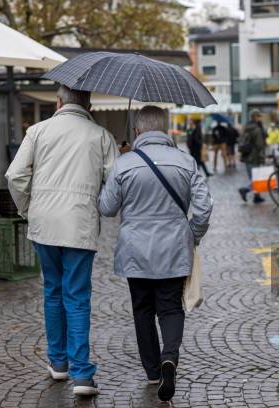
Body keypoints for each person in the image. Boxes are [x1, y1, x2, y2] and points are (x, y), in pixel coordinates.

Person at [6, 85, 116, 396]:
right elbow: (114, 185)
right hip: (79, 225)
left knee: (53, 292)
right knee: (77, 297)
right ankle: (82, 374)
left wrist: (29, 207)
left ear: (58, 102)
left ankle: (58, 363)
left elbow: (15, 176)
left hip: (44, 223)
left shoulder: (37, 131)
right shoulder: (101, 136)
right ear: (89, 104)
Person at [99, 106, 213, 402]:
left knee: (143, 309)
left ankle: (152, 371)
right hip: (174, 246)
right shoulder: (186, 161)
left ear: (138, 131)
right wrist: (192, 236)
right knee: (171, 306)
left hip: (135, 249)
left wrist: (119, 165)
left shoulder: (125, 163)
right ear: (166, 130)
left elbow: (107, 207)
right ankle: (170, 358)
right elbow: (203, 208)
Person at [238, 109, 266, 204]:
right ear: (256, 117)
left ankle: (257, 197)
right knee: (256, 179)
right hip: (254, 157)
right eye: (259, 116)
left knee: (253, 178)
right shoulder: (257, 129)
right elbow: (260, 145)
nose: (260, 118)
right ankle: (244, 190)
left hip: (246, 156)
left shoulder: (246, 127)